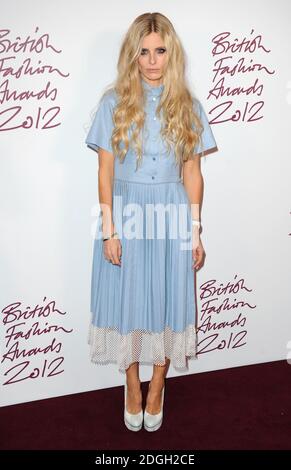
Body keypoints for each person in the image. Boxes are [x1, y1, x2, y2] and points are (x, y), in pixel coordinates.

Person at [85, 12, 218, 432]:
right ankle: (130, 382)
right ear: (133, 55)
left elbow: (193, 173)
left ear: (170, 52)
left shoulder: (189, 106)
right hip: (125, 211)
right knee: (126, 298)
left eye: (159, 51)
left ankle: (158, 383)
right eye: (143, 52)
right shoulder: (113, 103)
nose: (152, 60)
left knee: (167, 298)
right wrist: (109, 229)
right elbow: (105, 172)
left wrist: (194, 230)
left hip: (171, 213)